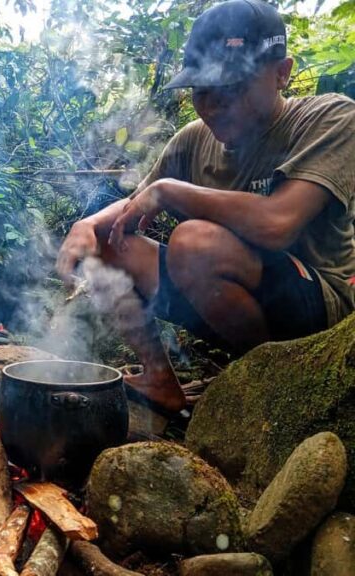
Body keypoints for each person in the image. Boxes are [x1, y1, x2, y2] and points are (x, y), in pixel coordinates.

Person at [56, 0, 355, 419]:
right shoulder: (192, 140)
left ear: (281, 73)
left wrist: (171, 192)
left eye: (231, 88)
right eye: (202, 90)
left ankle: (273, 383)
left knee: (193, 242)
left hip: (317, 304)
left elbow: (277, 224)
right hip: (227, 293)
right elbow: (134, 204)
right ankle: (160, 380)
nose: (213, 105)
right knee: (110, 242)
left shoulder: (330, 118)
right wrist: (86, 225)